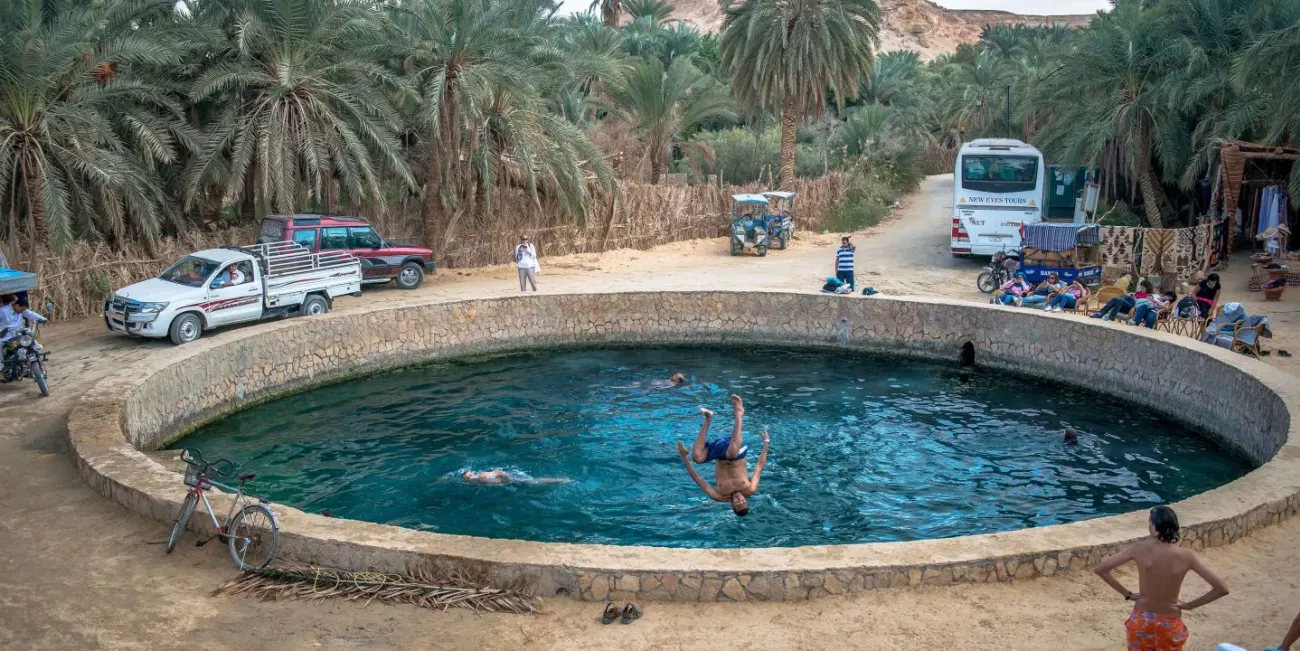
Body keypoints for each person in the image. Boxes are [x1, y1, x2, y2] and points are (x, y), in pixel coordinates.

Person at [1093, 506, 1230, 651]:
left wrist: (1127, 594)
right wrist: (1190, 605)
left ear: (1154, 527)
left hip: (1142, 619)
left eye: (1150, 522)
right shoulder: (1186, 556)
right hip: (1169, 622)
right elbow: (1221, 588)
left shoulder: (1138, 549)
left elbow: (1101, 569)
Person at [677, 396, 770, 516]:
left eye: (737, 502)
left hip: (720, 453)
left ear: (732, 505)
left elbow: (698, 479)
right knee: (732, 454)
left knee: (697, 458)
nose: (739, 499)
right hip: (736, 450)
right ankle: (739, 413)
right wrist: (766, 443)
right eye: (743, 501)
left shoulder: (718, 496)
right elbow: (759, 467)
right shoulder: (750, 488)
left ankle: (708, 418)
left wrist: (684, 457)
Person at [461, 469, 570, 485]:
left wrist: (507, 479)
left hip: (512, 481)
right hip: (510, 481)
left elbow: (499, 473)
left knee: (535, 481)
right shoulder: (481, 477)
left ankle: (561, 480)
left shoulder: (481, 477)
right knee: (534, 481)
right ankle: (559, 481)